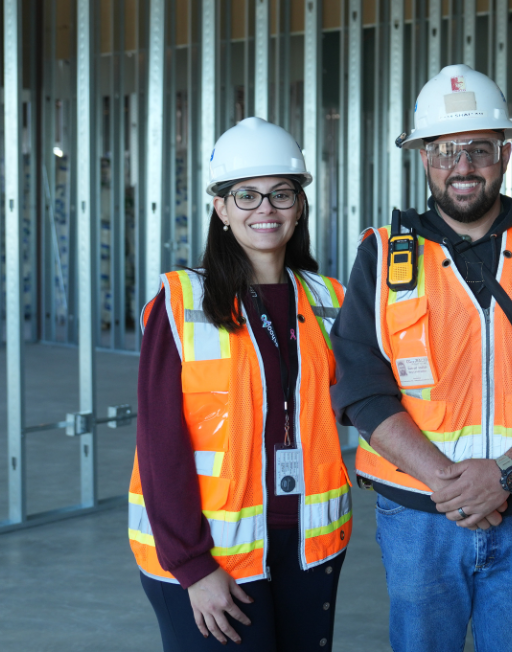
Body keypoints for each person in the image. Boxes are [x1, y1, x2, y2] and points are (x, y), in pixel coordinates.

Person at [332, 64, 512, 652]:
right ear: (423, 158)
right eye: (444, 151)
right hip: (419, 515)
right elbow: (358, 382)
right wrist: (447, 482)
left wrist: (505, 474)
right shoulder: (380, 257)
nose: (462, 167)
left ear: (504, 153)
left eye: (478, 150)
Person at [129, 117, 352, 651]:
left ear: (300, 206)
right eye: (246, 196)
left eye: (281, 193)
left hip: (307, 542)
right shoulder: (182, 304)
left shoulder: (330, 300)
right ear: (221, 209)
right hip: (211, 551)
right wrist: (192, 565)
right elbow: (161, 445)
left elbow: (360, 406)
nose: (265, 210)